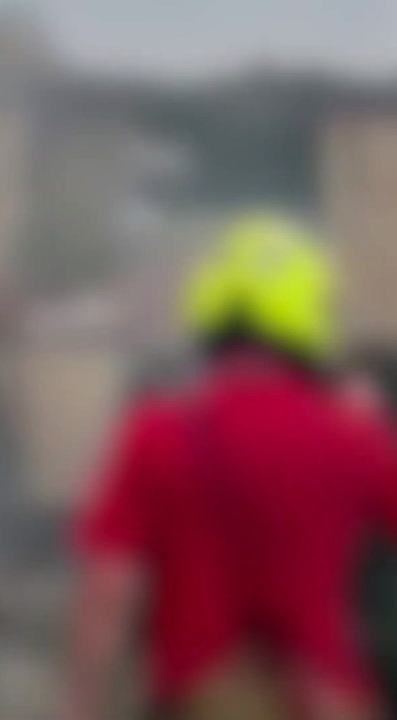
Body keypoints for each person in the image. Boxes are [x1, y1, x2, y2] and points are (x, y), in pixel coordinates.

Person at [68, 212, 397, 720]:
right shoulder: (352, 437)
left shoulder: (158, 433)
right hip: (327, 695)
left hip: (203, 694)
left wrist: (82, 707)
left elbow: (108, 597)